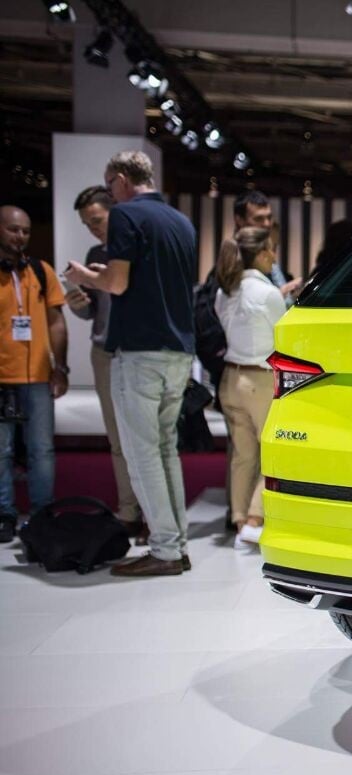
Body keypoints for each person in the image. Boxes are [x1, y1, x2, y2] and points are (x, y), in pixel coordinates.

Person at [64, 150, 197, 577]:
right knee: (165, 450)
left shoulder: (125, 215)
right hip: (178, 351)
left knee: (142, 455)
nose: (110, 194)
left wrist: (85, 276)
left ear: (122, 179)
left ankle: (165, 550)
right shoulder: (180, 222)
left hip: (140, 351)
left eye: (109, 185)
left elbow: (117, 283)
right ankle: (176, 544)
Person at [64, 185, 143, 536]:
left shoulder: (139, 247)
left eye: (96, 220)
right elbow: (93, 311)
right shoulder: (96, 252)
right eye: (87, 223)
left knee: (144, 438)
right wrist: (78, 305)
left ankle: (152, 514)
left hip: (138, 352)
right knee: (116, 439)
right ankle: (128, 511)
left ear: (114, 212)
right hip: (104, 352)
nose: (93, 228)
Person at [0, 205, 69, 542]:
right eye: (13, 229)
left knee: (42, 448)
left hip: (38, 377)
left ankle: (42, 512)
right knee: (1, 451)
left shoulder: (41, 272)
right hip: (2, 377)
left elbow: (56, 322)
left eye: (25, 231)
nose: (20, 236)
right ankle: (5, 513)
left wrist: (61, 366)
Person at [214, 227, 285, 550]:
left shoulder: (224, 292)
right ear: (260, 253)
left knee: (242, 456)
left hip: (230, 378)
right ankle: (255, 521)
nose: (274, 256)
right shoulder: (268, 293)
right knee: (271, 452)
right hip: (259, 379)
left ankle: (241, 521)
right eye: (270, 249)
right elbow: (282, 336)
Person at [231, 191, 303, 299]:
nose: (267, 224)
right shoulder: (233, 259)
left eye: (269, 217)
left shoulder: (271, 262)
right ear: (239, 220)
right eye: (258, 219)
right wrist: (279, 295)